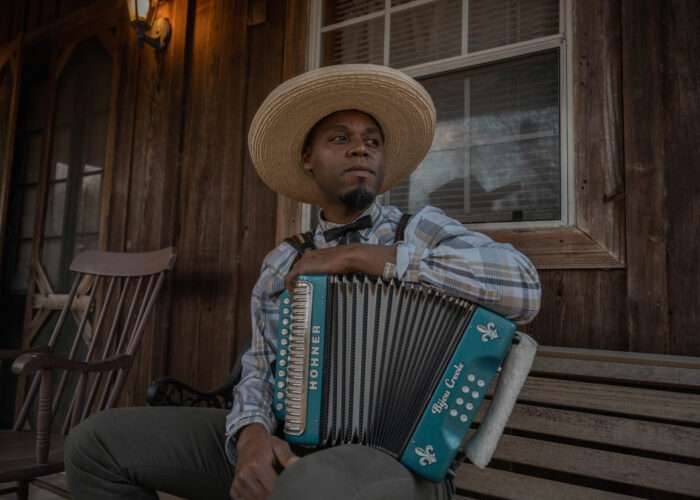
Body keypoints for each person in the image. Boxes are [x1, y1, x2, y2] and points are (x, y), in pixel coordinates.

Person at [64, 64, 541, 500]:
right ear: (307, 158)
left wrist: (362, 256)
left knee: (308, 487)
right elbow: (260, 367)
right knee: (97, 444)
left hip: (399, 465)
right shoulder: (283, 260)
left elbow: (523, 288)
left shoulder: (417, 231)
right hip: (287, 443)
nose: (361, 147)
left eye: (372, 141)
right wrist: (249, 435)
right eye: (340, 138)